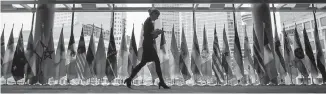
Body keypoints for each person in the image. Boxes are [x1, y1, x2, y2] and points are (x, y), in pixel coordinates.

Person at [124, 8, 170, 89]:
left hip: (148, 44)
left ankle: (129, 79)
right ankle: (162, 82)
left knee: (143, 63)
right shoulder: (148, 22)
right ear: (153, 14)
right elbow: (148, 35)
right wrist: (157, 32)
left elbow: (150, 36)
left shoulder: (149, 22)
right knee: (156, 61)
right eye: (157, 15)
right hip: (148, 45)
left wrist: (156, 33)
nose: (157, 17)